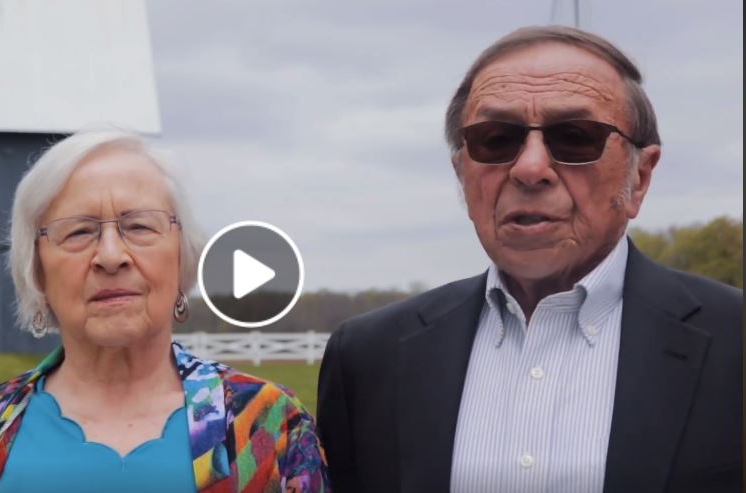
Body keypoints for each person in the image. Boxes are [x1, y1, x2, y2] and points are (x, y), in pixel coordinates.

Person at [317, 26, 742, 493]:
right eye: (496, 139)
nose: (530, 168)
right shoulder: (367, 358)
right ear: (462, 174)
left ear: (640, 177)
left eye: (576, 137)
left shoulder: (733, 342)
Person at [0, 128, 329, 493]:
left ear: (182, 257)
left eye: (139, 227)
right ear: (36, 270)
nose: (111, 256)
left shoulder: (270, 425)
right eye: (78, 231)